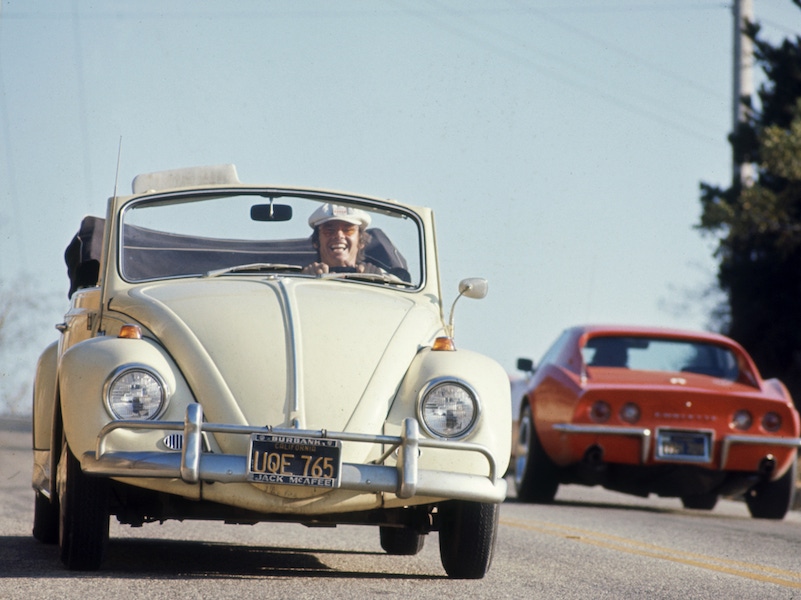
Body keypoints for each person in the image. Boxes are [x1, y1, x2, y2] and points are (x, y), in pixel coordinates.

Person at [302, 203, 382, 275]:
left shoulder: (384, 282)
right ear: (316, 241)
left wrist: (375, 282)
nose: (339, 235)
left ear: (361, 241)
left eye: (348, 230)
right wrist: (306, 280)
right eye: (329, 230)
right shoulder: (296, 283)